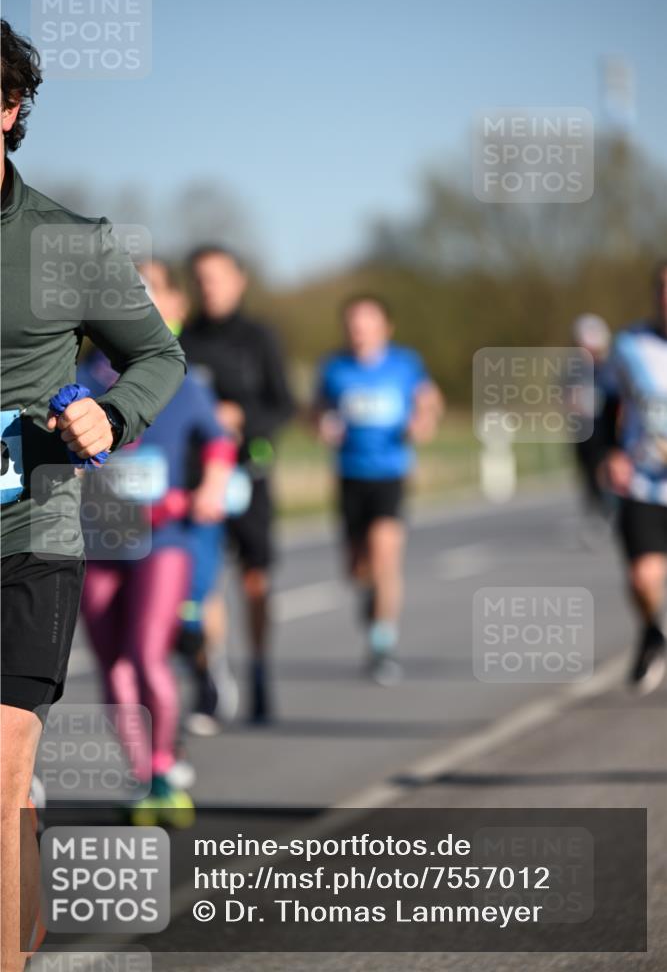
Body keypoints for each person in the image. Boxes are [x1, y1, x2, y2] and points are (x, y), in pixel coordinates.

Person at [0, 20, 185, 972]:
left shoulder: (66, 244)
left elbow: (160, 354)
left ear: (8, 107)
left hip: (28, 536)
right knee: (10, 792)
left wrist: (114, 417)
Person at [77, 261, 236, 820]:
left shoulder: (176, 376)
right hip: (99, 541)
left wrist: (212, 485)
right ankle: (144, 777)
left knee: (147, 656)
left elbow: (218, 441)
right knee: (113, 664)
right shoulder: (81, 378)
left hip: (162, 536)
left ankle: (166, 764)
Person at [181, 246, 294, 723]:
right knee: (205, 584)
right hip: (200, 479)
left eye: (218, 277)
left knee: (254, 580)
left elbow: (284, 405)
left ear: (239, 280)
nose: (210, 287)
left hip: (250, 475)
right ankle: (213, 679)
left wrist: (244, 418)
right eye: (201, 278)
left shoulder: (259, 338)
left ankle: (261, 670)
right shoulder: (184, 339)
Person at [314, 294, 443, 685]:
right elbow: (316, 410)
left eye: (367, 322)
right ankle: (370, 599)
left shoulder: (405, 364)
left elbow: (429, 400)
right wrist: (321, 424)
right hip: (350, 474)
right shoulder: (334, 368)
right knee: (357, 568)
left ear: (386, 327)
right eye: (353, 323)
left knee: (385, 553)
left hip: (390, 472)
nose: (359, 330)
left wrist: (422, 421)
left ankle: (383, 643)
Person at [598, 261, 667, 694]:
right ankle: (651, 631)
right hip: (644, 480)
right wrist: (609, 452)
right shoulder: (628, 347)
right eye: (663, 288)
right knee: (642, 577)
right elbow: (606, 404)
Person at [567, 314, 615, 526]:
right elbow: (567, 399)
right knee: (589, 475)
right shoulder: (572, 370)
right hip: (584, 431)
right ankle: (596, 510)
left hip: (605, 429)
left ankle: (611, 507)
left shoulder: (610, 367)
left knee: (606, 470)